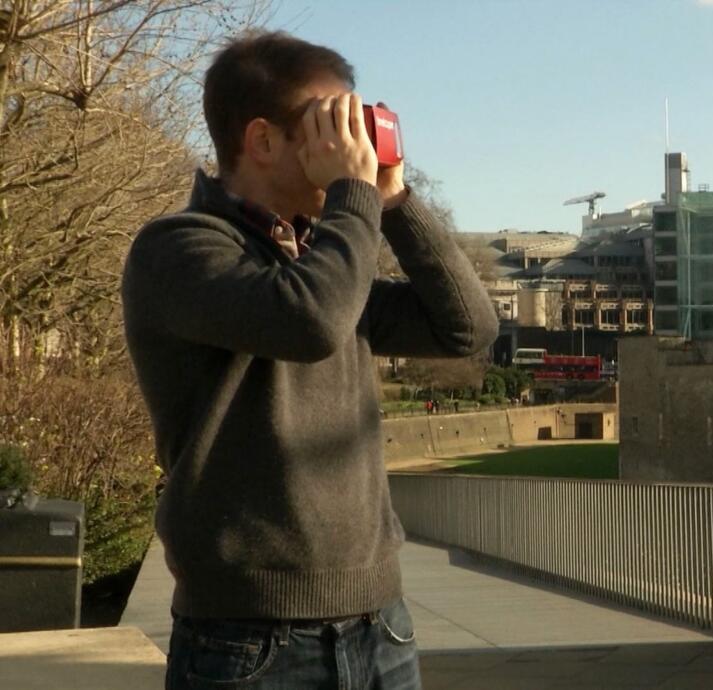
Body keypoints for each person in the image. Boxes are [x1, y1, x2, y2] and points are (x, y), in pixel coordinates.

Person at [121, 31, 497, 689]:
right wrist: (355, 196)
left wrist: (396, 202)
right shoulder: (176, 251)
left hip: (381, 625)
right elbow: (310, 321)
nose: (351, 146)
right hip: (247, 640)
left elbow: (466, 329)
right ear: (262, 141)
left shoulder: (325, 261)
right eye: (331, 126)